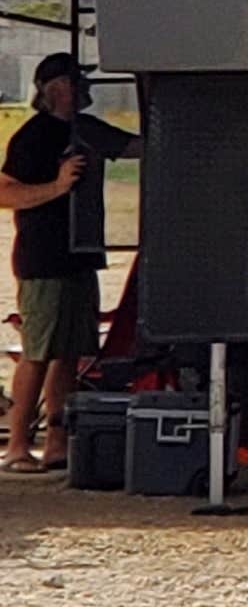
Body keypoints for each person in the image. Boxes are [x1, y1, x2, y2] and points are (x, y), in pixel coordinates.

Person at [4, 54, 130, 476]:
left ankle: (58, 442)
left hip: (81, 256)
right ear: (56, 87)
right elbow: (7, 193)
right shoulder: (33, 137)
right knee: (38, 353)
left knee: (69, 353)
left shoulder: (86, 131)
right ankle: (18, 445)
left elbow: (134, 147)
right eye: (77, 81)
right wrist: (57, 187)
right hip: (45, 259)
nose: (86, 89)